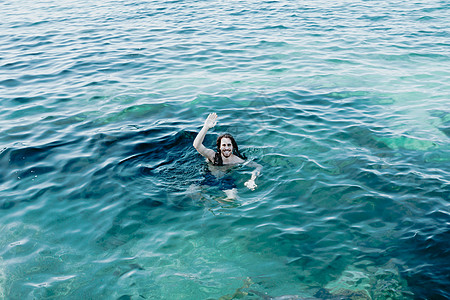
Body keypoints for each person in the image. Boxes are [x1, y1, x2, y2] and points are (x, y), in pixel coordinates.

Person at [193, 113, 262, 196]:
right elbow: (196, 145)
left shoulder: (237, 160)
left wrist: (252, 179)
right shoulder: (213, 156)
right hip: (209, 177)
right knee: (192, 192)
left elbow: (258, 166)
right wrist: (206, 127)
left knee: (232, 198)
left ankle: (218, 205)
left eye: (229, 145)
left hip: (226, 180)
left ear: (233, 147)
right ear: (219, 147)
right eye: (224, 145)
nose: (226, 148)